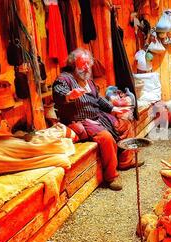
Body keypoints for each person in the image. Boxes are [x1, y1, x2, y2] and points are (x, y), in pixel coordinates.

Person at [52, 48, 143, 191]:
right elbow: (58, 93)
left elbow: (98, 99)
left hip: (98, 116)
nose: (86, 67)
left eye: (88, 63)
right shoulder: (64, 79)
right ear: (73, 64)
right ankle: (111, 177)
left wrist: (113, 109)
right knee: (106, 138)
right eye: (82, 64)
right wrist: (69, 95)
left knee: (125, 123)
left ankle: (126, 161)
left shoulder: (88, 80)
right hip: (80, 121)